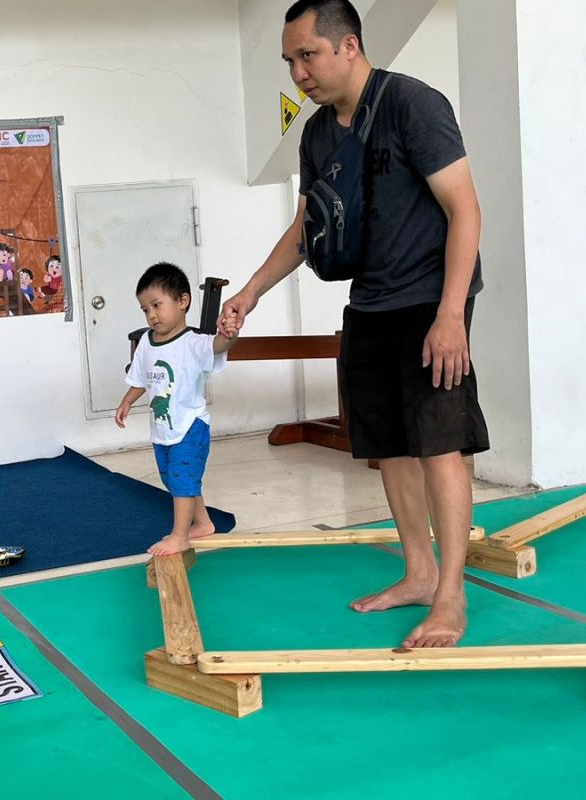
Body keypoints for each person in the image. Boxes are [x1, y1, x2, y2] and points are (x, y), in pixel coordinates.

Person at [218, 0, 488, 648]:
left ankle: (451, 597)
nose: (298, 72)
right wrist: (251, 291)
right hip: (370, 304)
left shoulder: (412, 106)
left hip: (430, 300)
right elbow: (305, 226)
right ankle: (419, 573)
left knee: (439, 445)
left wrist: (452, 315)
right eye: (288, 60)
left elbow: (466, 209)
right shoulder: (314, 135)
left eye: (306, 55)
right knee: (387, 447)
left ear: (348, 46)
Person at [117, 262, 240, 556]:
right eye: (145, 309)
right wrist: (127, 401)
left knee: (184, 480)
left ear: (183, 301)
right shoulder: (147, 343)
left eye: (157, 305)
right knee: (174, 479)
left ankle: (180, 535)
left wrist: (230, 333)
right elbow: (141, 378)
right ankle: (204, 523)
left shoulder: (193, 343)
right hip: (162, 429)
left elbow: (218, 346)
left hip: (190, 426)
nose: (152, 315)